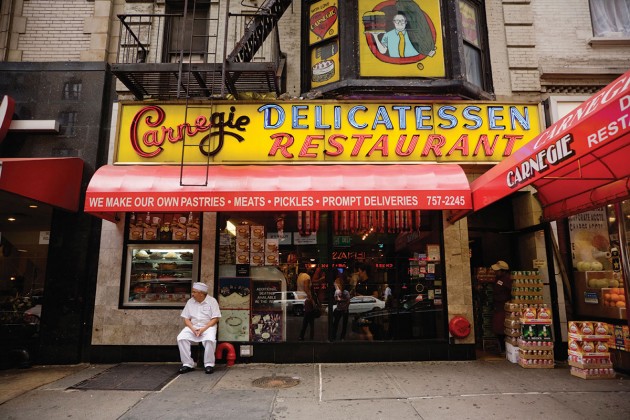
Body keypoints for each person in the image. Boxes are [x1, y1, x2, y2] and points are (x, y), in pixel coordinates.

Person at [177, 282, 221, 374]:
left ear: (201, 293)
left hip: (208, 326)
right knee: (181, 338)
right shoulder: (190, 301)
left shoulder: (212, 301)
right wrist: (193, 329)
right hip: (193, 326)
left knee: (210, 340)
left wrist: (203, 329)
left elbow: (215, 318)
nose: (192, 294)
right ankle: (188, 364)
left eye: (194, 292)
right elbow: (186, 319)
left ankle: (209, 364)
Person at [490, 260, 512, 351]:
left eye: (497, 270)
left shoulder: (507, 280)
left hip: (503, 308)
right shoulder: (498, 279)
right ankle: (502, 348)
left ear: (503, 271)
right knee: (498, 327)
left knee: (501, 328)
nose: (495, 271)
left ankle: (504, 348)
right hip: (498, 307)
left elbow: (511, 292)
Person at [332, 273, 351, 341]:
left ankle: (341, 336)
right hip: (340, 309)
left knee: (343, 324)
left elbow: (348, 301)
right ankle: (334, 335)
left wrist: (345, 306)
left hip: (344, 309)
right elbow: (336, 299)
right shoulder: (337, 292)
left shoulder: (345, 292)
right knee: (336, 323)